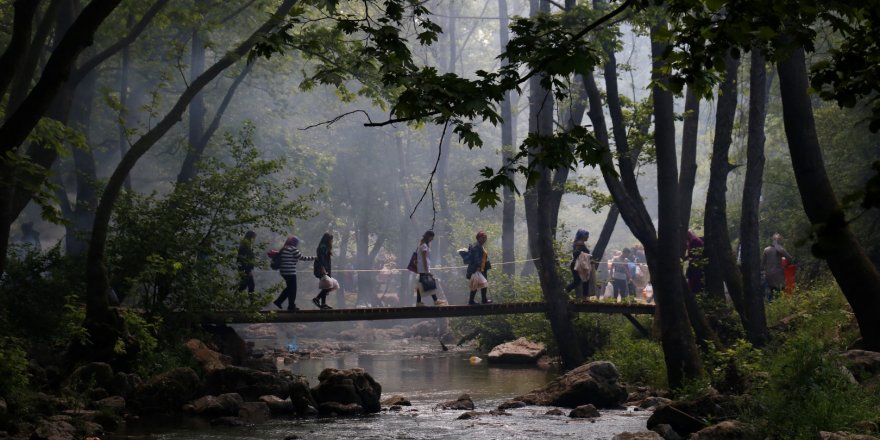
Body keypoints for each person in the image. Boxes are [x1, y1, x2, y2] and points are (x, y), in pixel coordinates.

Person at [273, 236, 316, 311]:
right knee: (293, 289)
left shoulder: (284, 248)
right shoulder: (293, 249)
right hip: (290, 271)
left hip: (283, 271)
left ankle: (280, 302)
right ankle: (290, 306)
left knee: (290, 288)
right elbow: (302, 258)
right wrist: (315, 258)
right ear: (295, 242)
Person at [415, 230, 446, 306]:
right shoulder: (424, 246)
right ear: (429, 236)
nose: (432, 239)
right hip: (423, 268)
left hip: (421, 268)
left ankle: (419, 302)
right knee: (429, 283)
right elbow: (424, 258)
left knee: (421, 284)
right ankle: (435, 300)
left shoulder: (421, 244)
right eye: (432, 237)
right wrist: (427, 271)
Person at [762, 233, 794, 301]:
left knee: (769, 295)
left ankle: (771, 308)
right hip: (778, 275)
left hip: (768, 275)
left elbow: (762, 264)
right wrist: (787, 264)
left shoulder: (766, 250)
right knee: (779, 294)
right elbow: (790, 259)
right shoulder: (781, 249)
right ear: (779, 241)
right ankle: (779, 308)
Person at [466, 231, 493, 305]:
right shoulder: (476, 246)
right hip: (477, 269)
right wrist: (478, 267)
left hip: (482, 268)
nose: (484, 239)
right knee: (475, 284)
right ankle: (472, 301)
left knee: (484, 284)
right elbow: (476, 258)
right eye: (482, 237)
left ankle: (483, 299)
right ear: (478, 238)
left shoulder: (481, 246)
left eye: (485, 238)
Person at [564, 229, 591, 298]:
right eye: (586, 235)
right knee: (582, 280)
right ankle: (565, 291)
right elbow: (576, 253)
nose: (588, 237)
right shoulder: (579, 244)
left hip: (579, 265)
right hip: (578, 265)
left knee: (580, 281)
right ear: (582, 236)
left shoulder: (578, 243)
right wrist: (586, 255)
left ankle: (565, 291)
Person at [312, 233, 334, 309]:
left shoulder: (324, 246)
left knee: (326, 286)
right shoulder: (323, 247)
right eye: (331, 239)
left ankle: (323, 304)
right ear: (327, 239)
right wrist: (323, 268)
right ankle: (317, 299)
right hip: (321, 268)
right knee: (328, 286)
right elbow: (321, 258)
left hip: (324, 268)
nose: (332, 241)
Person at [685, 230, 706, 295]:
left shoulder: (696, 241)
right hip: (693, 266)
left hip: (697, 267)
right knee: (693, 283)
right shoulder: (691, 242)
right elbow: (691, 254)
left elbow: (696, 255)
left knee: (697, 283)